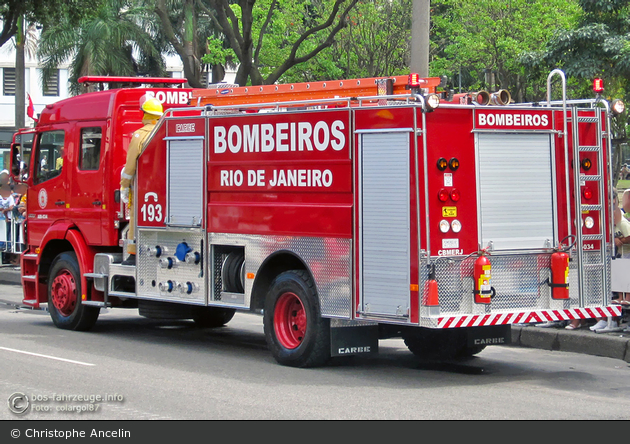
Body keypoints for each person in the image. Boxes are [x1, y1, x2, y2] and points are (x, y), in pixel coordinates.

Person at [119, 96, 163, 266]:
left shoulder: (139, 135)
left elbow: (130, 166)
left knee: (135, 216)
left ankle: (133, 255)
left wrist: (124, 186)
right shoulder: (163, 131)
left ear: (145, 114)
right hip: (162, 184)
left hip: (144, 186)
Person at [0, 170, 16, 252]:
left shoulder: (10, 196)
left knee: (8, 233)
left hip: (8, 218)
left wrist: (5, 210)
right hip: (2, 218)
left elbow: (11, 206)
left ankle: (7, 246)